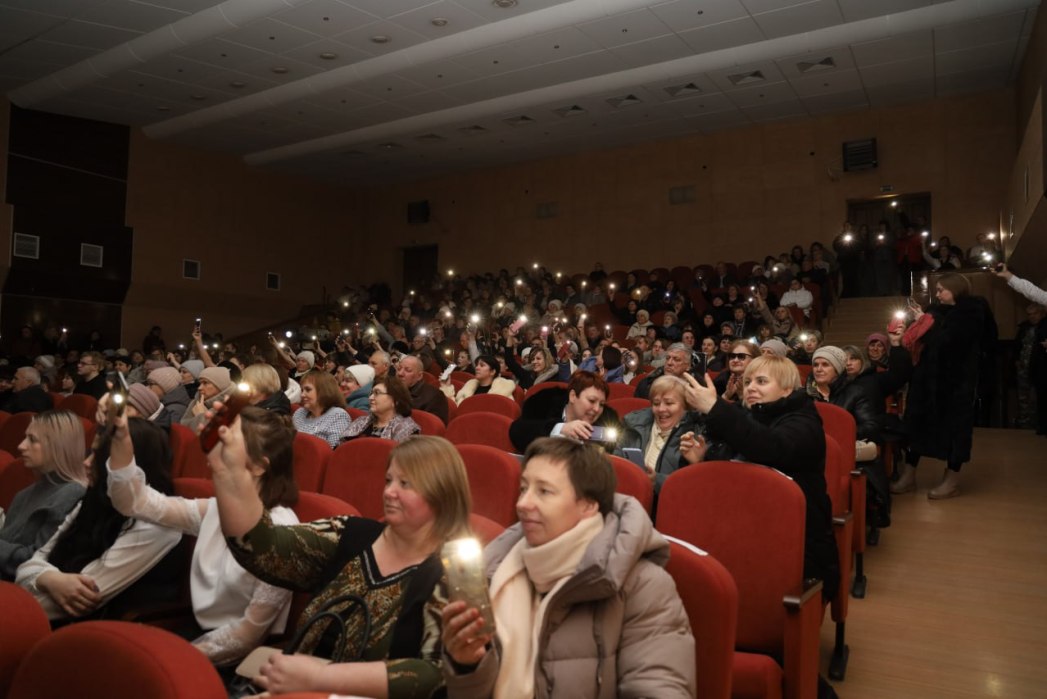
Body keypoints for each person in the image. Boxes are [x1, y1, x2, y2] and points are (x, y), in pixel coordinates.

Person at [210, 431, 472, 697]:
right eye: (388, 480)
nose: (389, 492)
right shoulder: (349, 533)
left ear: (441, 495)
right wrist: (228, 472)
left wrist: (321, 678)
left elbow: (438, 673)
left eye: (405, 484)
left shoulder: (452, 576)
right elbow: (262, 549)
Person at [441, 437, 695, 698]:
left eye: (544, 491)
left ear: (588, 505)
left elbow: (659, 687)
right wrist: (468, 665)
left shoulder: (644, 585)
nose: (522, 504)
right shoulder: (497, 568)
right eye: (523, 488)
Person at [107, 407, 299, 666]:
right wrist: (121, 438)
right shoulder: (218, 509)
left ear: (258, 467)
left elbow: (246, 637)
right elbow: (135, 502)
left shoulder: (282, 530)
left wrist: (175, 657)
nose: (216, 444)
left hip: (238, 659)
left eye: (228, 440)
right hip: (195, 635)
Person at [679, 356, 839, 597]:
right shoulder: (746, 418)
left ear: (787, 389)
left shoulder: (805, 422)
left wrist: (715, 407)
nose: (751, 387)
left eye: (761, 381)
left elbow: (769, 448)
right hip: (740, 530)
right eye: (748, 382)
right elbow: (733, 479)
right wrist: (701, 460)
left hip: (793, 543)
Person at [16, 418, 182, 621]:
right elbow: (31, 563)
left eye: (100, 456)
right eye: (90, 452)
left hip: (96, 628)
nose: (86, 463)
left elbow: (83, 598)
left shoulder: (157, 524)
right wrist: (48, 579)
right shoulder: (97, 498)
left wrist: (18, 607)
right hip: (45, 614)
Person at [894, 273, 997, 498]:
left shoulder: (971, 313)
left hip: (955, 383)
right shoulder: (935, 311)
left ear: (956, 289)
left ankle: (951, 481)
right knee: (916, 427)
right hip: (925, 379)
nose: (938, 294)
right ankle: (909, 476)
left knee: (955, 432)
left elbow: (949, 343)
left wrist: (926, 323)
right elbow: (923, 342)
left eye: (942, 289)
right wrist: (917, 326)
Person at [0, 411, 87, 580]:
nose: (21, 446)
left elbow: (35, 564)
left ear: (58, 446)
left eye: (32, 440)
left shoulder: (72, 494)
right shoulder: (24, 494)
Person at [616, 375, 705, 496]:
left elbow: (694, 487)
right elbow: (616, 468)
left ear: (685, 406)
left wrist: (657, 481)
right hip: (628, 496)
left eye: (669, 403)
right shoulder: (633, 426)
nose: (661, 409)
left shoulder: (695, 435)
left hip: (669, 502)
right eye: (656, 403)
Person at [509, 371, 621, 453]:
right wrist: (559, 428)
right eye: (591, 401)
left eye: (601, 404)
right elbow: (517, 431)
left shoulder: (606, 424)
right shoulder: (543, 406)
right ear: (573, 396)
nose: (597, 409)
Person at [806, 346, 882, 442]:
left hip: (842, 444)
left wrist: (841, 433)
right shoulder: (804, 394)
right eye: (815, 365)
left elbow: (870, 426)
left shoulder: (855, 392)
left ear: (837, 370)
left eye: (825, 365)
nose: (819, 369)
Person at [342, 375, 421, 442]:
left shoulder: (406, 429)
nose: (370, 397)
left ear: (395, 401)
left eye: (377, 393)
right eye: (371, 393)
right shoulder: (361, 422)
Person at [293, 370, 351, 449]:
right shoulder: (299, 413)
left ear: (324, 391)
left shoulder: (338, 415)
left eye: (308, 390)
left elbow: (332, 451)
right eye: (302, 390)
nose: (302, 395)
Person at [396, 355, 449, 424]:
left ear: (419, 376)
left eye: (408, 370)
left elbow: (434, 427)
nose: (400, 373)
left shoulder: (435, 396)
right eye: (399, 369)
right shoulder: (392, 390)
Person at [443, 354, 515, 405]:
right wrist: (446, 386)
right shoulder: (468, 387)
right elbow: (456, 408)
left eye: (482, 365)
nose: (477, 368)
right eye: (477, 365)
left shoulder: (503, 391)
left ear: (492, 372)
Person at [181, 366, 235, 432]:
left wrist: (201, 415)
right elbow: (181, 430)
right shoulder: (196, 402)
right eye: (200, 383)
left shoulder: (229, 407)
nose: (199, 388)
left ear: (220, 386)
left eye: (205, 383)